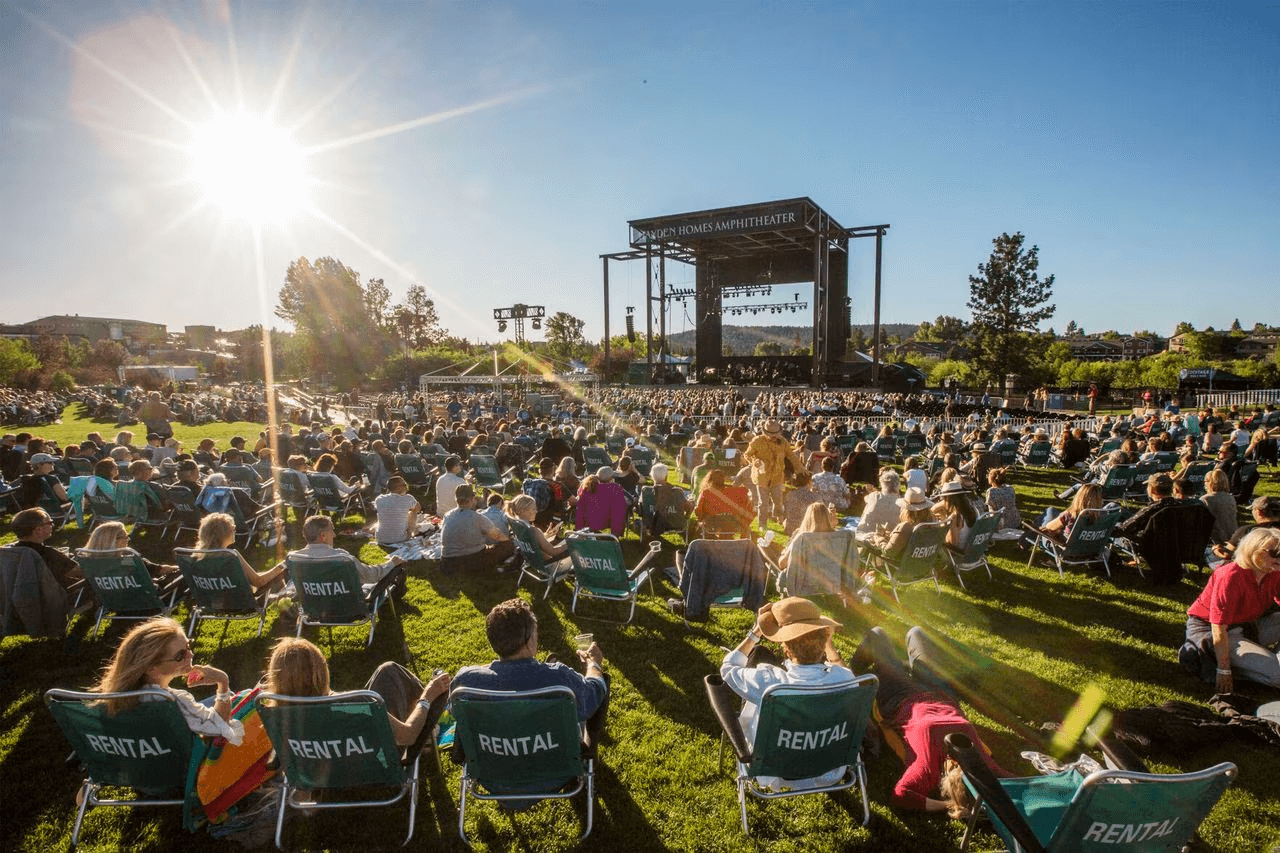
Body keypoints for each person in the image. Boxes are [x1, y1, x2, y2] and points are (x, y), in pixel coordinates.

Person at [851, 625, 1011, 814]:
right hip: (939, 694)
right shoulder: (978, 761)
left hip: (900, 698)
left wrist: (949, 806)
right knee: (917, 633)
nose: (961, 762)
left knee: (878, 634)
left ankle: (853, 672)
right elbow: (1024, 782)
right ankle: (901, 667)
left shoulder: (928, 769)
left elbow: (901, 795)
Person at [713, 597, 855, 791]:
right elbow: (848, 675)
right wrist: (828, 647)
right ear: (824, 642)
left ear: (786, 648)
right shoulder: (843, 680)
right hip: (828, 768)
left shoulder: (769, 682)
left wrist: (755, 633)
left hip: (775, 770)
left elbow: (728, 667)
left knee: (756, 661)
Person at [451, 597, 608, 742]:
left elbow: (454, 713)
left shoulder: (465, 682)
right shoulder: (560, 679)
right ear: (528, 640)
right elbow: (595, 692)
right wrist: (593, 664)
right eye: (535, 631)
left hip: (493, 765)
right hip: (552, 761)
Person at [262, 637, 451, 746]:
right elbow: (407, 737)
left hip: (331, 776)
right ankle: (431, 721)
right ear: (319, 673)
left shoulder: (277, 718)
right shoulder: (359, 703)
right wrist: (427, 697)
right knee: (393, 675)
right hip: (376, 767)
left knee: (387, 671)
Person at [92, 617, 243, 744]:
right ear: (150, 667)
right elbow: (220, 726)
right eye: (180, 655)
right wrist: (222, 682)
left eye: (189, 646)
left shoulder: (116, 699)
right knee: (245, 697)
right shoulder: (172, 702)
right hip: (189, 771)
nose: (191, 655)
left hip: (148, 768)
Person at [1180, 527, 1280, 692]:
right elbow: (1218, 627)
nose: (1279, 559)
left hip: (1246, 626)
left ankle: (1257, 662)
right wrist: (1223, 670)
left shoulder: (1273, 572)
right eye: (1274, 553)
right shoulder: (1230, 576)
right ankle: (1219, 660)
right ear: (1253, 550)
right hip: (1214, 631)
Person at [283, 514, 405, 584]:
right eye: (332, 531)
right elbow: (371, 576)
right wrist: (391, 563)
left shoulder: (294, 558)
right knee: (396, 571)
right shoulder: (342, 558)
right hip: (345, 606)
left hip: (315, 607)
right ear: (323, 536)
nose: (335, 535)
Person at [195, 513, 286, 591]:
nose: (235, 530)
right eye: (232, 528)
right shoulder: (231, 556)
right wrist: (282, 565)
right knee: (280, 573)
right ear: (223, 534)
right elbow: (258, 581)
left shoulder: (196, 557)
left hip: (209, 603)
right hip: (241, 603)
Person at [744, 419, 804, 531]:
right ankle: (762, 524)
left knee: (778, 500)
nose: (774, 436)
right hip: (762, 477)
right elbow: (747, 454)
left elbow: (791, 456)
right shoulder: (757, 441)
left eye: (776, 433)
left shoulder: (783, 441)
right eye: (771, 434)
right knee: (763, 503)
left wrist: (801, 469)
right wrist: (754, 461)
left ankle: (779, 518)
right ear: (765, 432)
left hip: (777, 477)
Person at [440, 483, 513, 573]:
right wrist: (508, 540)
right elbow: (497, 535)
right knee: (508, 545)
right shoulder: (477, 517)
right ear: (472, 499)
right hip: (470, 561)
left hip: (447, 562)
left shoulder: (447, 515)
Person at [8, 507, 82, 591]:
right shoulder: (48, 554)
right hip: (57, 598)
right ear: (38, 530)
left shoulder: (11, 552)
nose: (53, 525)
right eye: (50, 522)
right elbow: (80, 572)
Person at [85, 521, 179, 579]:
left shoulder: (88, 561)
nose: (128, 540)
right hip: (140, 601)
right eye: (126, 537)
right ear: (117, 541)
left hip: (108, 601)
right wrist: (177, 568)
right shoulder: (127, 561)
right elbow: (158, 570)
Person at [865, 487, 934, 560]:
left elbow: (888, 552)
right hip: (921, 563)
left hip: (897, 565)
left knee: (865, 546)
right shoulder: (931, 524)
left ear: (906, 510)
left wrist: (878, 536)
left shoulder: (905, 528)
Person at [693, 467, 753, 537]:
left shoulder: (706, 492)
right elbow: (745, 503)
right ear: (723, 479)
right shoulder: (734, 491)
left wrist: (700, 518)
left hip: (712, 523)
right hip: (732, 522)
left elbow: (698, 509)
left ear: (710, 479)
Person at [507, 494, 568, 560]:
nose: (536, 511)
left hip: (534, 563)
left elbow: (532, 542)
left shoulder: (517, 526)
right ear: (522, 510)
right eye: (533, 509)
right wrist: (571, 542)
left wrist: (546, 535)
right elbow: (553, 552)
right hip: (550, 566)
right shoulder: (534, 530)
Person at [1038, 483, 1104, 540]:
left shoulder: (1072, 515)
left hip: (1062, 547)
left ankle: (1030, 530)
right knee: (1052, 511)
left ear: (1079, 497)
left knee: (1049, 512)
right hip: (1090, 548)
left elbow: (1049, 527)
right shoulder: (1103, 515)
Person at [574, 468, 628, 537]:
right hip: (606, 521)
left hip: (588, 521)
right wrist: (616, 533)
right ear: (611, 479)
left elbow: (580, 508)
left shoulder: (587, 487)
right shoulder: (615, 489)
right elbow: (619, 511)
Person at [856, 468, 902, 543]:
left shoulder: (874, 496)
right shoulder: (902, 502)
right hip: (892, 538)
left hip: (869, 535)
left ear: (882, 484)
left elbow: (866, 498)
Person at [374, 476, 421, 546]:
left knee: (387, 515)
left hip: (380, 538)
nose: (406, 487)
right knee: (413, 512)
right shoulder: (408, 498)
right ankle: (411, 533)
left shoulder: (379, 499)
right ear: (399, 488)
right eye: (404, 485)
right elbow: (418, 508)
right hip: (399, 539)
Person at [935, 481, 978, 550]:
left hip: (958, 551)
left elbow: (953, 543)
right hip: (969, 548)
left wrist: (943, 525)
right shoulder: (971, 510)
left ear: (948, 499)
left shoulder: (955, 516)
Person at [1200, 469, 1237, 544]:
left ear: (1210, 483)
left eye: (1205, 481)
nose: (1204, 484)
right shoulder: (1230, 497)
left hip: (1216, 539)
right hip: (1232, 535)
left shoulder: (1206, 499)